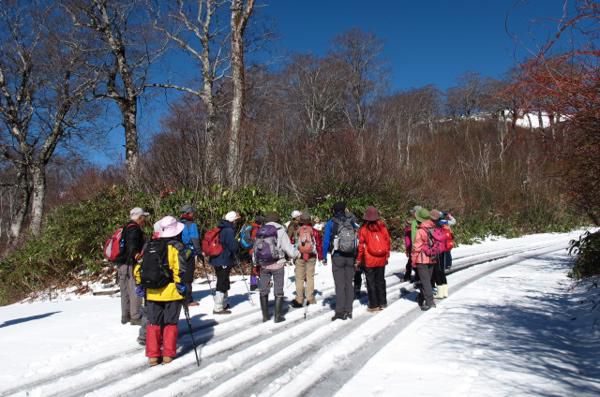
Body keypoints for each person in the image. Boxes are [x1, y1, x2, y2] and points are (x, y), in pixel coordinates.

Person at [134, 216, 187, 366]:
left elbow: (138, 268)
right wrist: (182, 287)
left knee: (153, 323)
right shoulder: (177, 247)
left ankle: (152, 356)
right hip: (171, 292)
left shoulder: (149, 245)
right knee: (170, 323)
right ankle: (168, 355)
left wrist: (140, 285)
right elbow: (180, 270)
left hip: (151, 291)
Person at [255, 212, 299, 323]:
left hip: (264, 264)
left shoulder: (261, 230)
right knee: (278, 289)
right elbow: (288, 248)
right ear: (277, 220)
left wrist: (256, 262)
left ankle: (265, 316)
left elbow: (256, 247)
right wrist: (296, 254)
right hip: (278, 263)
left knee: (263, 290)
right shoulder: (280, 230)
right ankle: (277, 316)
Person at [322, 202, 359, 321]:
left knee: (340, 285)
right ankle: (349, 310)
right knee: (349, 283)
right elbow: (358, 236)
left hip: (337, 256)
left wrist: (324, 256)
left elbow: (326, 241)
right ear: (344, 210)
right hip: (350, 256)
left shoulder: (331, 223)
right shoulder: (352, 221)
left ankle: (339, 311)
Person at [115, 207, 148, 325]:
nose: (145, 219)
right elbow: (132, 244)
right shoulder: (134, 229)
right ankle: (135, 316)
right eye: (143, 217)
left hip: (121, 263)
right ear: (139, 217)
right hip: (129, 263)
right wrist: (136, 254)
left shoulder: (126, 227)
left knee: (125, 290)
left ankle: (126, 315)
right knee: (134, 289)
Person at [356, 206, 391, 312]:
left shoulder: (363, 229)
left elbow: (361, 246)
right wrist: (387, 255)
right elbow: (388, 242)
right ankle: (383, 302)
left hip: (369, 259)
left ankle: (374, 304)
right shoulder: (383, 227)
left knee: (371, 281)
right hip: (381, 259)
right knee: (380, 280)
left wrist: (358, 259)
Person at [208, 211, 240, 314]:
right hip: (224, 259)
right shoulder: (228, 231)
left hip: (217, 259)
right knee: (222, 282)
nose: (236, 222)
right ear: (232, 220)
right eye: (236, 220)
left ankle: (224, 304)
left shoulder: (221, 228)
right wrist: (237, 243)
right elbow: (232, 246)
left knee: (224, 280)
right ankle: (218, 307)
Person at [290, 213, 323, 308]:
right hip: (311, 256)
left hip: (300, 257)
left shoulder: (297, 231)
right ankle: (310, 298)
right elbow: (319, 244)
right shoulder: (315, 231)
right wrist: (320, 257)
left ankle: (299, 299)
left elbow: (292, 243)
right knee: (310, 277)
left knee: (299, 278)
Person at [411, 207, 438, 311]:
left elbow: (416, 247)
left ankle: (430, 301)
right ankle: (422, 297)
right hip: (432, 257)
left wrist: (413, 260)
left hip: (422, 259)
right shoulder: (434, 228)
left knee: (425, 281)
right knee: (427, 280)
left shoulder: (421, 230)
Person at [430, 209, 456, 299]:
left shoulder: (435, 225)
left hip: (437, 250)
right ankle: (444, 292)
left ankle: (440, 293)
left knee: (437, 271)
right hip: (443, 248)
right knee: (442, 271)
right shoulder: (443, 222)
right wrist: (449, 215)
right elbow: (453, 221)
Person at [180, 204, 202, 306]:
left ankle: (180, 296)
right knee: (188, 276)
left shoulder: (178, 224)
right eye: (192, 212)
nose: (193, 214)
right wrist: (199, 252)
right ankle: (188, 299)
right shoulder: (191, 224)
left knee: (180, 274)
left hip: (178, 253)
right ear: (189, 213)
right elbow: (195, 240)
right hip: (189, 253)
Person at [403, 205, 421, 282]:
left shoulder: (415, 223)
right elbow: (408, 238)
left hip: (415, 246)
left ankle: (416, 277)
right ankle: (412, 276)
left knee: (414, 263)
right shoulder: (413, 223)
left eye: (413, 212)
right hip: (413, 246)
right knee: (411, 262)